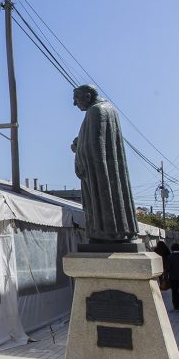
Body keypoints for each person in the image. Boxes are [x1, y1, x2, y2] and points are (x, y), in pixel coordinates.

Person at [70, 84, 139, 243]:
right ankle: (117, 231)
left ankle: (104, 233)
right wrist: (80, 141)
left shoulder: (96, 111)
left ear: (88, 96)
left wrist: (78, 147)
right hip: (110, 170)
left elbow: (94, 145)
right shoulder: (109, 109)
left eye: (76, 99)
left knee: (101, 204)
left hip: (99, 173)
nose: (75, 104)